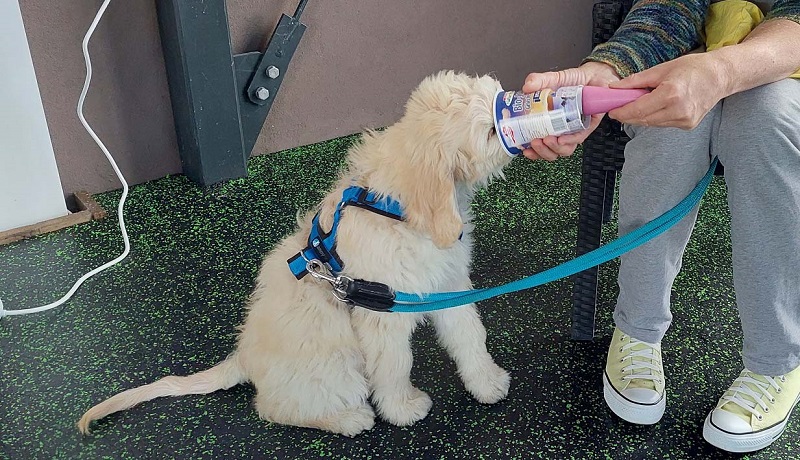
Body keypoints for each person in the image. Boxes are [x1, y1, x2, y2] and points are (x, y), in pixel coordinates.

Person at [521, 0, 800, 453]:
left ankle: (776, 361)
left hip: (786, 68)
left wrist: (720, 73)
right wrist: (609, 71)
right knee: (671, 124)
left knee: (767, 119)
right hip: (698, 51)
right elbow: (673, 5)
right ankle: (638, 326)